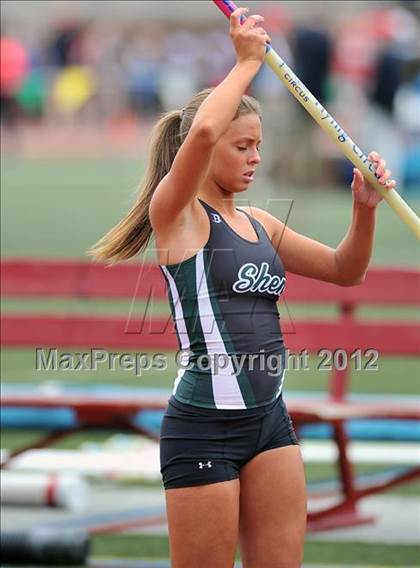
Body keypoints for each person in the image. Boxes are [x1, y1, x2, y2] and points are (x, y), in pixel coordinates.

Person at [87, 7, 396, 568]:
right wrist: (247, 62)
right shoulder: (176, 217)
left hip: (270, 424)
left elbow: (345, 270)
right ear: (205, 153)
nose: (255, 158)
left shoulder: (261, 223)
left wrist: (364, 209)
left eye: (258, 146)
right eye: (242, 147)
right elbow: (204, 128)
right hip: (203, 429)